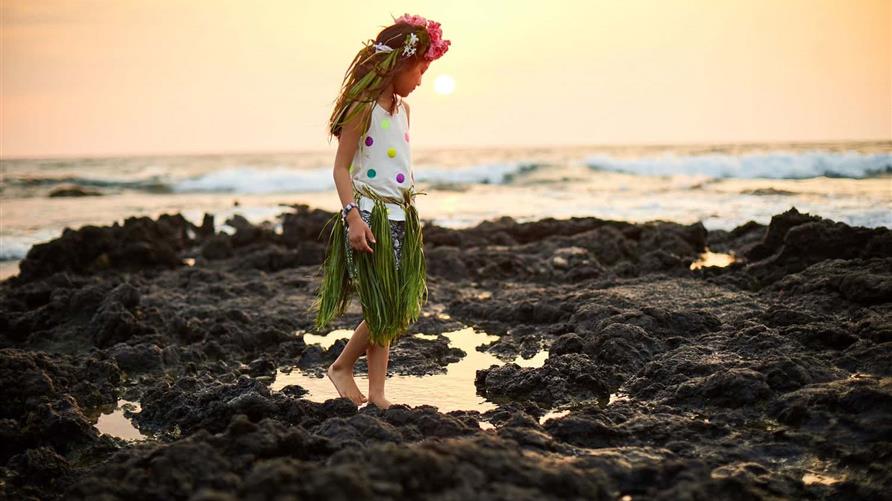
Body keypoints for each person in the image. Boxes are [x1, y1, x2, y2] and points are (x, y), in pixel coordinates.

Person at [310, 14, 451, 409]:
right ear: (400, 64)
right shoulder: (362, 107)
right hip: (369, 216)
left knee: (394, 304)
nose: (422, 79)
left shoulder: (403, 111)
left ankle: (377, 393)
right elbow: (341, 168)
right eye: (421, 69)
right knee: (383, 305)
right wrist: (352, 216)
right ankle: (341, 367)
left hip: (401, 217)